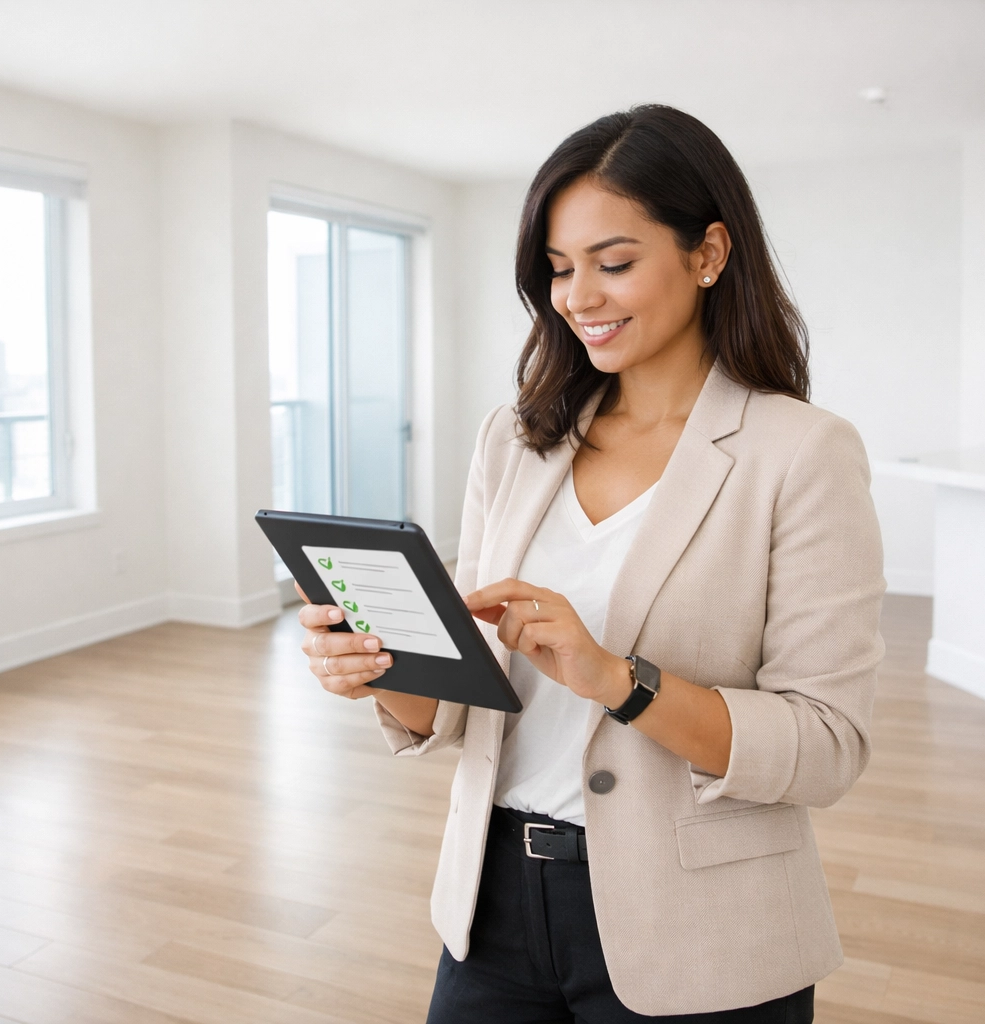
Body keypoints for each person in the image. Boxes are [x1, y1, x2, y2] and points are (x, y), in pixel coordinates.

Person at [297, 104, 884, 1023]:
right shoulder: (516, 440)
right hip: (492, 908)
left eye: (614, 263)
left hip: (697, 927)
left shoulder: (801, 453)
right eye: (560, 270)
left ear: (709, 254)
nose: (578, 297)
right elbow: (462, 709)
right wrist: (380, 671)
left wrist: (619, 681)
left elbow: (826, 747)